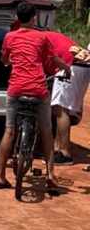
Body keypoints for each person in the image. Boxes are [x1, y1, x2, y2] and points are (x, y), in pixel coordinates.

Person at [0, 2, 70, 192]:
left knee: (9, 131)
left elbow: (4, 59)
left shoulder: (9, 37)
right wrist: (67, 68)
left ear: (17, 18)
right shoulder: (42, 37)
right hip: (38, 88)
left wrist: (8, 60)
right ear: (34, 17)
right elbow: (52, 59)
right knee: (46, 130)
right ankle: (50, 175)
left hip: (16, 89)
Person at [44, 30, 90, 164]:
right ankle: (58, 149)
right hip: (80, 65)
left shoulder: (39, 40)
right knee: (62, 109)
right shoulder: (48, 35)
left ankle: (64, 153)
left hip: (70, 66)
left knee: (60, 109)